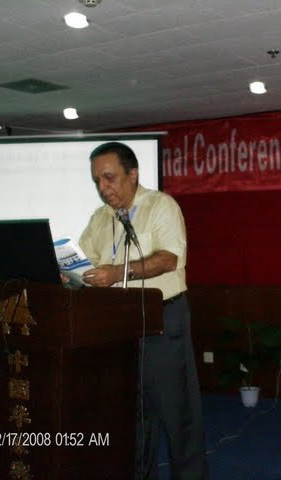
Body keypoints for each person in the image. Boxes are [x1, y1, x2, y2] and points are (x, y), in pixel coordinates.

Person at [77, 141, 209, 479]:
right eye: (97, 181)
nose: (103, 188)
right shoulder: (100, 218)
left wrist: (118, 272)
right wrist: (71, 272)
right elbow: (88, 263)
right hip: (118, 326)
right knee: (133, 420)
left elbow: (168, 259)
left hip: (162, 319)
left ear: (132, 174)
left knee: (178, 415)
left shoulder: (161, 206)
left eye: (109, 178)